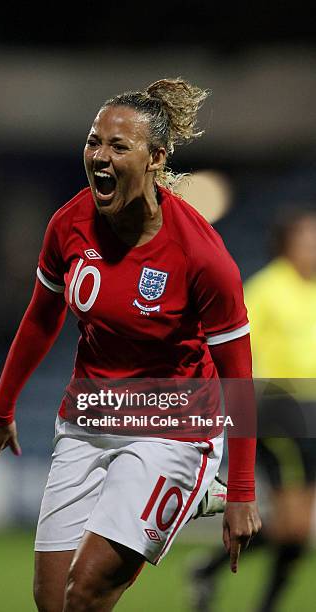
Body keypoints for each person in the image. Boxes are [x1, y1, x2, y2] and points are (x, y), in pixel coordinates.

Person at [0, 77, 261, 612]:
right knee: (51, 602)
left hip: (173, 429)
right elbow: (42, 318)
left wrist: (244, 491)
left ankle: (201, 484)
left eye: (118, 146)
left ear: (156, 157)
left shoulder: (202, 255)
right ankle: (188, 498)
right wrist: (1, 407)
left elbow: (239, 376)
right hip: (89, 418)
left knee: (85, 592)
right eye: (93, 141)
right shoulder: (69, 224)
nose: (99, 157)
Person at [189, 207, 316, 612]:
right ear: (287, 245)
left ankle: (208, 569)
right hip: (280, 409)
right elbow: (236, 355)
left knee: (293, 528)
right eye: (308, 239)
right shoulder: (264, 290)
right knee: (295, 525)